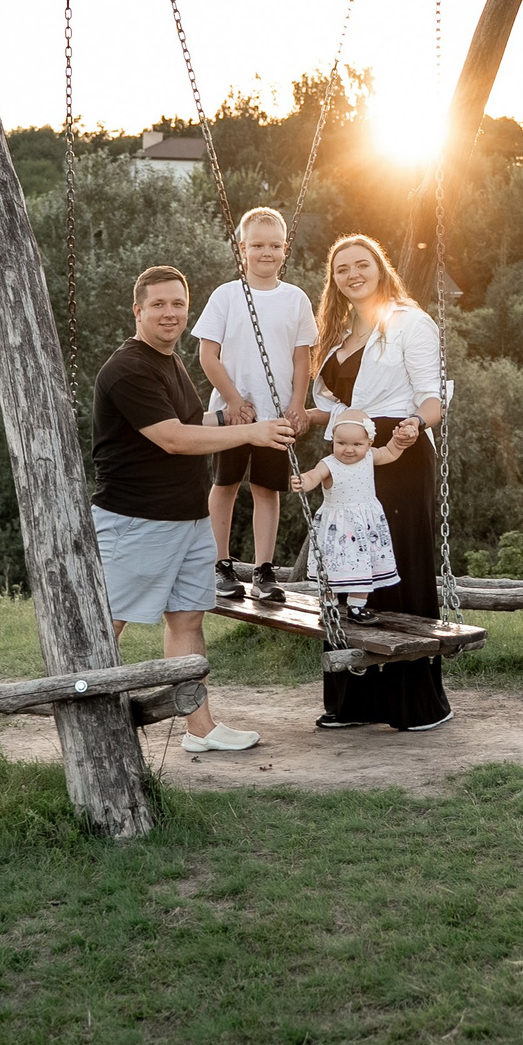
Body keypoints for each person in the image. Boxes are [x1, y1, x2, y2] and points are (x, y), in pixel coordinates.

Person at [91, 264, 298, 754]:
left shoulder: (170, 360)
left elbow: (187, 420)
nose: (170, 313)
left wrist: (225, 416)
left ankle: (200, 729)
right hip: (135, 521)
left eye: (178, 304)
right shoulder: (127, 368)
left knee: (187, 622)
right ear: (137, 310)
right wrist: (247, 433)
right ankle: (90, 733)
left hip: (187, 521)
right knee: (107, 627)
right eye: (158, 304)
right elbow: (173, 439)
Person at [305, 232, 451, 732]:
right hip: (348, 457)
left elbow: (431, 396)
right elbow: (328, 409)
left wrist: (418, 425)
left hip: (399, 451)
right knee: (347, 570)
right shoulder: (339, 335)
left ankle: (415, 702)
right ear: (334, 279)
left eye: (361, 263)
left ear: (380, 267)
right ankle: (354, 702)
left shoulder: (411, 323)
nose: (352, 273)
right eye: (341, 268)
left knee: (398, 566)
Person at [190, 206, 315, 604]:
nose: (267, 252)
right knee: (224, 484)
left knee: (266, 489)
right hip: (233, 413)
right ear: (242, 248)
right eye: (258, 245)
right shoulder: (226, 295)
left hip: (276, 415)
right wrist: (232, 399)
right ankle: (220, 563)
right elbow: (208, 356)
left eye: (275, 245)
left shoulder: (295, 299)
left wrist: (297, 403)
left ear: (285, 249)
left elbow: (301, 358)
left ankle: (263, 570)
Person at [288, 410, 403, 622]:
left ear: (369, 443)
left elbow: (389, 452)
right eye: (341, 443)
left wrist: (399, 442)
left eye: (357, 445)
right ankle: (329, 605)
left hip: (366, 525)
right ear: (333, 441)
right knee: (332, 566)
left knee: (364, 564)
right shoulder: (329, 463)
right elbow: (314, 475)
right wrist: (303, 481)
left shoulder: (370, 456)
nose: (348, 450)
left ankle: (357, 607)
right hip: (338, 527)